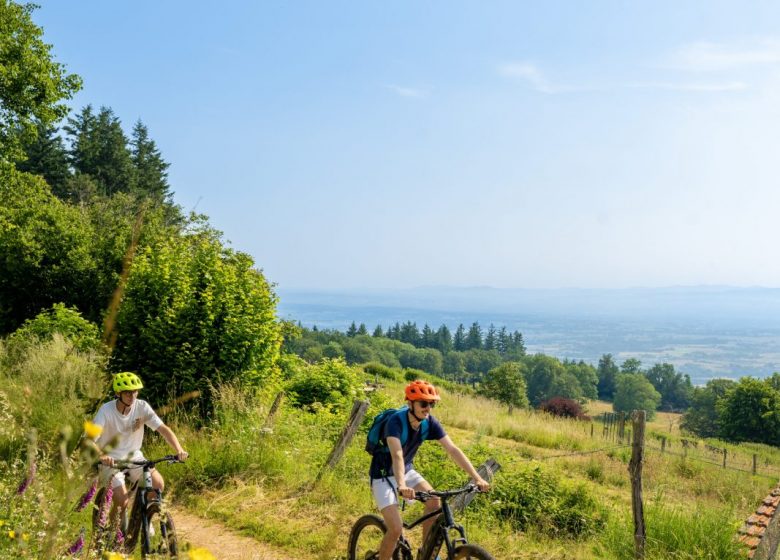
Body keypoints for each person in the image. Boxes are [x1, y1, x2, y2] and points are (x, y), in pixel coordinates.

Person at [369, 380, 490, 560]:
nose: (428, 408)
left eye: (431, 404)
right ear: (410, 403)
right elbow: (397, 455)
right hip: (383, 476)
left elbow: (453, 449)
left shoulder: (429, 422)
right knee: (395, 529)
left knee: (434, 501)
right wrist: (401, 485)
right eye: (423, 403)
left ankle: (425, 554)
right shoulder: (395, 422)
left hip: (406, 470)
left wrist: (476, 478)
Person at [92, 372, 188, 513]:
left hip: (135, 458)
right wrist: (101, 456)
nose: (133, 396)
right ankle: (112, 532)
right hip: (111, 460)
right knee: (122, 502)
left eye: (135, 392)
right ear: (118, 393)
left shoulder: (142, 407)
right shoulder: (105, 410)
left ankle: (143, 520)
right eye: (128, 393)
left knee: (158, 485)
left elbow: (163, 429)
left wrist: (179, 449)